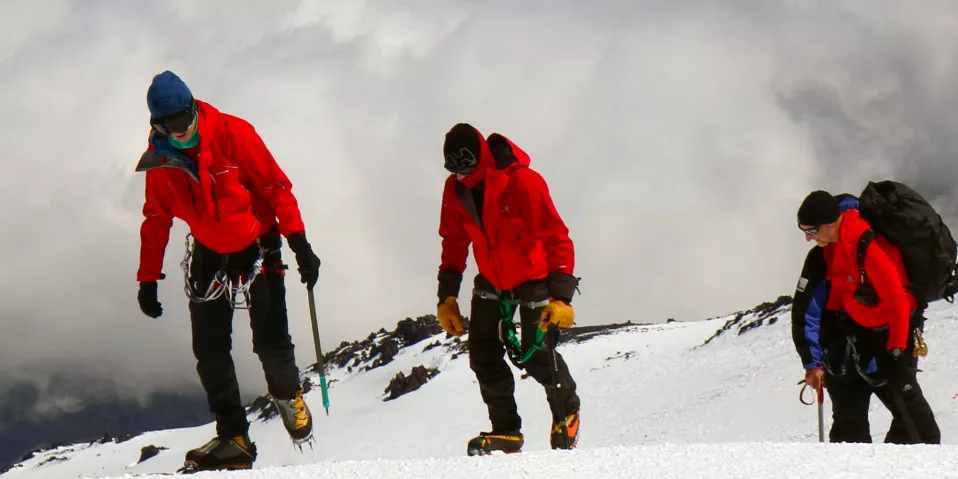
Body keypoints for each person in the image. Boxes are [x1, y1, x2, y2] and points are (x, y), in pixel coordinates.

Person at [134, 71, 322, 471]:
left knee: (270, 343)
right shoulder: (162, 159)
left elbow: (275, 188)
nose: (177, 132)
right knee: (210, 349)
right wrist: (147, 278)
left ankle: (289, 398)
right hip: (209, 254)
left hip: (258, 245)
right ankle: (234, 437)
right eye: (166, 127)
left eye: (182, 122)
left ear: (194, 110)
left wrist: (299, 242)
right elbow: (156, 218)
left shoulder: (234, 135)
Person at [435, 122, 581, 455]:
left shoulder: (523, 183)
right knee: (483, 354)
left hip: (533, 275)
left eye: (466, 165)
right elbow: (454, 242)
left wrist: (562, 297)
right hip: (492, 278)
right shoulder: (455, 190)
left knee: (536, 352)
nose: (461, 174)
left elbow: (557, 237)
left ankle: (567, 412)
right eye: (454, 168)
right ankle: (506, 431)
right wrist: (447, 296)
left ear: (481, 157)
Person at [793, 190, 939, 444]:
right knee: (906, 425)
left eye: (811, 230)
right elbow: (807, 311)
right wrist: (812, 362)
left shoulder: (868, 246)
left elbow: (898, 301)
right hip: (849, 352)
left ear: (829, 223)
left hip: (884, 348)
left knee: (914, 427)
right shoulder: (824, 254)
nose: (808, 237)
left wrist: (895, 348)